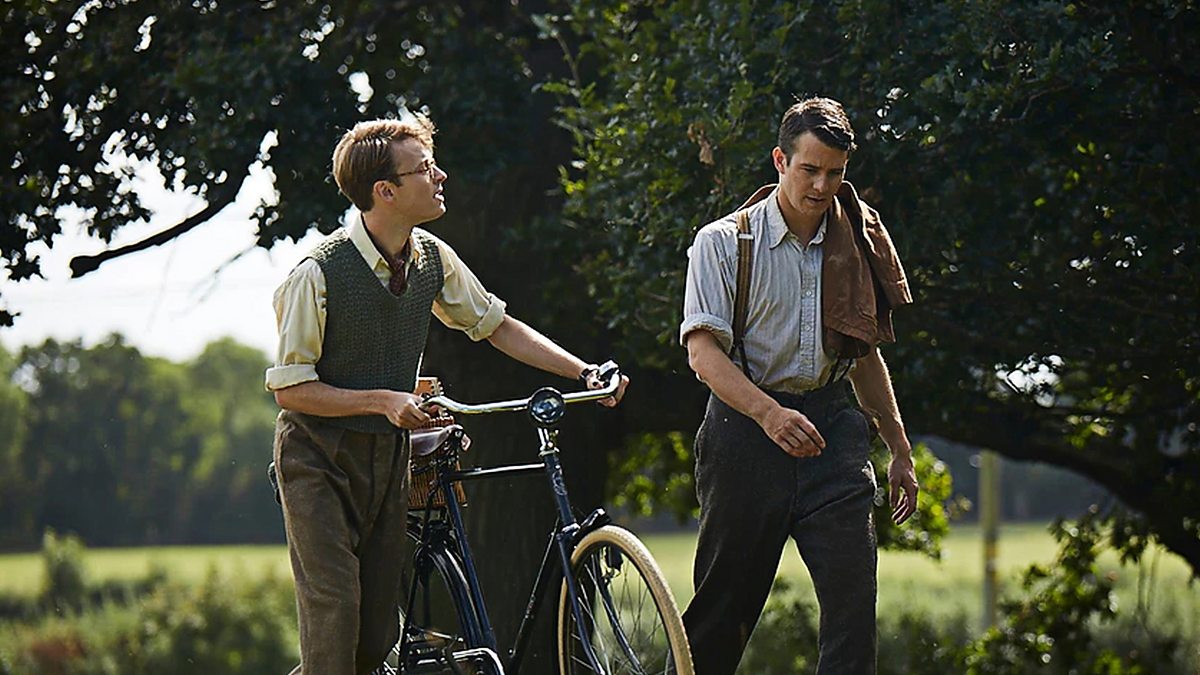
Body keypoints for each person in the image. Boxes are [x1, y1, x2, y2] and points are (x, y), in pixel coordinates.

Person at [265, 114, 628, 675]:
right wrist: (383, 400)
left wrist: (582, 373)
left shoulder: (432, 258)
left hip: (387, 456)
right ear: (386, 191)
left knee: (376, 635)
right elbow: (292, 390)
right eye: (425, 168)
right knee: (335, 616)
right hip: (317, 458)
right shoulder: (316, 274)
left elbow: (496, 326)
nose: (440, 176)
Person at [679, 96, 918, 674]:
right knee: (722, 614)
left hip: (832, 432)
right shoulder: (723, 243)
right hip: (744, 432)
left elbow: (863, 355)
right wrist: (769, 415)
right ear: (780, 161)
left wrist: (899, 447)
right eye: (810, 169)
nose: (822, 186)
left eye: (835, 173)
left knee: (853, 608)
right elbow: (703, 356)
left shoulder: (856, 240)